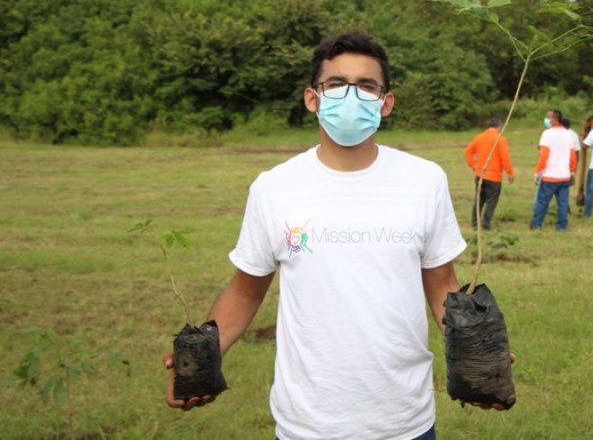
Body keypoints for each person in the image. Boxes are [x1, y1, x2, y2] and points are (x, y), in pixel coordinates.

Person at [163, 32, 509, 440]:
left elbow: (442, 286)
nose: (351, 96)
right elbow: (244, 292)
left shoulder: (424, 180)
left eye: (366, 86)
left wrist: (481, 354)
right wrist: (203, 358)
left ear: (387, 102)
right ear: (313, 98)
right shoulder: (275, 188)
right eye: (336, 84)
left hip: (405, 423)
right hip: (308, 424)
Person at [464, 118, 515, 230]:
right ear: (499, 127)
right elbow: (505, 159)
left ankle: (474, 224)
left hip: (480, 175)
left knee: (479, 200)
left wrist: (473, 165)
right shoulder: (500, 139)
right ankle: (485, 225)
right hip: (494, 178)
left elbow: (467, 152)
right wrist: (510, 173)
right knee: (491, 202)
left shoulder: (479, 137)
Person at [530, 109, 577, 230]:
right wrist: (572, 171)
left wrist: (538, 172)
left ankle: (536, 224)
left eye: (549, 118)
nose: (548, 120)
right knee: (562, 203)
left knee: (542, 202)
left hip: (550, 176)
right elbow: (572, 155)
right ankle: (562, 226)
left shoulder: (547, 133)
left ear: (555, 119)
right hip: (564, 176)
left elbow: (543, 155)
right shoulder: (568, 134)